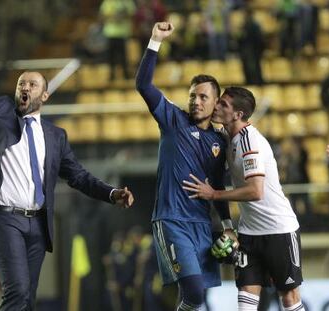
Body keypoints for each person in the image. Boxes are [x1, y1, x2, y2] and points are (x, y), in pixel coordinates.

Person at [0, 30, 134, 311]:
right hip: (3, 217)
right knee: (17, 291)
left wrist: (111, 193)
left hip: (37, 224)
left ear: (45, 95)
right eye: (21, 83)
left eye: (33, 84)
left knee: (27, 299)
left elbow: (78, 176)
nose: (25, 87)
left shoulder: (55, 136)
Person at [135, 21, 236, 311]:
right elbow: (143, 85)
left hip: (202, 225)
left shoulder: (218, 141)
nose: (195, 101)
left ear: (216, 103)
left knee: (196, 298)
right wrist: (155, 40)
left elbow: (218, 186)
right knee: (193, 292)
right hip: (172, 220)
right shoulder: (173, 120)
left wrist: (228, 226)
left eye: (203, 96)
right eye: (192, 95)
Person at [183, 86, 305, 311]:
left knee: (289, 298)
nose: (217, 106)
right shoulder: (226, 138)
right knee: (246, 301)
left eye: (224, 105)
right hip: (249, 233)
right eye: (218, 102)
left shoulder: (250, 141)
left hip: (278, 230)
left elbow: (255, 191)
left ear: (238, 115)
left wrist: (214, 194)